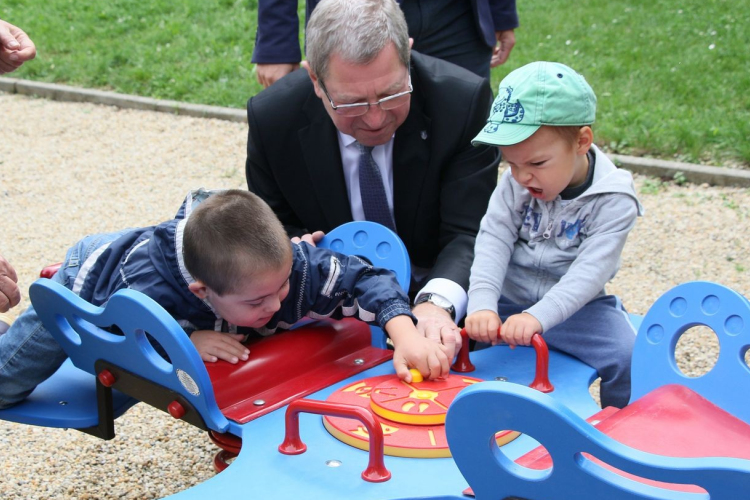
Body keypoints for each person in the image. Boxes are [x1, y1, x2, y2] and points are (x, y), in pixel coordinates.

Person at [0, 189, 451, 409]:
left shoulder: (285, 269)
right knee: (20, 364)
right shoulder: (145, 290)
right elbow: (116, 330)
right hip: (94, 273)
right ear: (203, 293)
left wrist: (404, 332)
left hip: (206, 263)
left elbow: (365, 278)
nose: (275, 306)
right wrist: (184, 339)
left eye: (282, 289)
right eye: (258, 303)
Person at [246, 0, 501, 357]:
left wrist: (434, 304)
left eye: (391, 94)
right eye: (351, 103)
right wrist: (294, 252)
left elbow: (470, 231)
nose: (376, 118)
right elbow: (272, 230)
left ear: (408, 57)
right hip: (329, 309)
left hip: (434, 283)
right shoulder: (273, 119)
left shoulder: (462, 102)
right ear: (316, 81)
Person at [465, 61, 644, 409]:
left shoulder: (615, 199)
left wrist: (537, 318)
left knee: (629, 355)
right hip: (506, 303)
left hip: (577, 312)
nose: (521, 177)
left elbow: (589, 274)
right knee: (450, 334)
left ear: (582, 141)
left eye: (536, 164)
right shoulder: (514, 183)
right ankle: (474, 419)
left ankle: (619, 431)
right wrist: (483, 305)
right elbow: (492, 240)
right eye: (511, 164)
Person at [252, 0, 518, 87]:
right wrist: (276, 42)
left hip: (456, 19)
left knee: (464, 131)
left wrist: (500, 10)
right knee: (357, 128)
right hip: (354, 15)